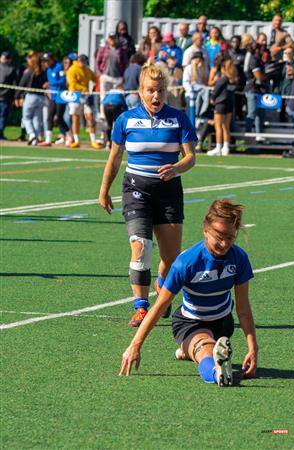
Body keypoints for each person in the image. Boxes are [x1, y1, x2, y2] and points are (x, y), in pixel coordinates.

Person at [119, 199, 258, 387]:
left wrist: (253, 347)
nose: (224, 243)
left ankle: (188, 350)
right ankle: (217, 372)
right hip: (191, 322)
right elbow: (159, 307)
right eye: (219, 236)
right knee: (205, 351)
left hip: (223, 323)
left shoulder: (239, 258)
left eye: (230, 238)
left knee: (206, 345)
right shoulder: (186, 263)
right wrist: (135, 346)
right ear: (205, 230)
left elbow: (243, 309)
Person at [99, 63, 196, 327]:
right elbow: (115, 158)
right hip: (136, 190)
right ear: (140, 91)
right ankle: (141, 307)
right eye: (151, 91)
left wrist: (176, 167)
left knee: (171, 258)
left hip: (168, 192)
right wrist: (104, 189)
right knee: (140, 247)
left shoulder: (179, 118)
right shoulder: (126, 119)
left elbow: (190, 158)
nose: (156, 96)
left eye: (161, 91)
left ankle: (162, 286)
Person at [67, 54, 101, 149]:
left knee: (90, 116)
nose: (82, 63)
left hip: (85, 96)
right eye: (80, 61)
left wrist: (95, 87)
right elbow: (73, 84)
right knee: (76, 118)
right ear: (78, 61)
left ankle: (93, 140)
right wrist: (84, 89)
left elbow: (95, 78)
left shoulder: (87, 70)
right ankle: (76, 140)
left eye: (84, 61)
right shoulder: (72, 70)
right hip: (75, 96)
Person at [37, 53, 71, 147]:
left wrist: (50, 84)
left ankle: (69, 136)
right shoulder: (48, 70)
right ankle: (48, 139)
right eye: (44, 61)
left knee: (59, 118)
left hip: (61, 95)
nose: (46, 63)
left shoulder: (59, 67)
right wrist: (48, 89)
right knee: (49, 116)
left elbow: (63, 80)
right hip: (52, 96)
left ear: (52, 59)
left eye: (47, 60)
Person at [207, 58, 237, 156]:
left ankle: (218, 148)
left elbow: (216, 90)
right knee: (226, 126)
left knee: (218, 126)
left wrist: (212, 98)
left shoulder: (223, 78)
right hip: (229, 104)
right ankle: (226, 147)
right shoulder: (233, 79)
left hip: (220, 104)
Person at [17, 52, 47, 146]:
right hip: (41, 97)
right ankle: (36, 138)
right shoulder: (44, 71)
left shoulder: (29, 71)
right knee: (36, 119)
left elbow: (22, 84)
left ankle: (32, 135)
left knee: (26, 118)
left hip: (31, 97)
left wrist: (17, 96)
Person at [0, 51, 16, 140]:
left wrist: (14, 97)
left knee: (3, 117)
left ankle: (0, 133)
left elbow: (13, 83)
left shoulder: (11, 69)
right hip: (4, 97)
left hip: (5, 97)